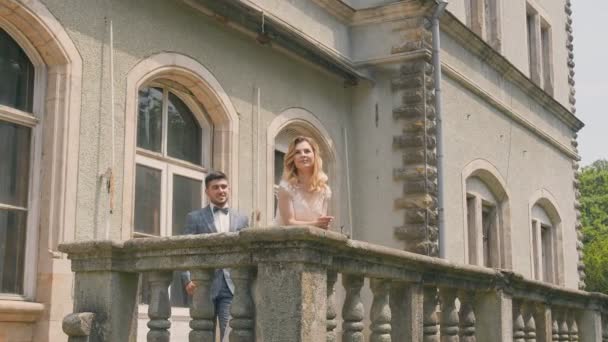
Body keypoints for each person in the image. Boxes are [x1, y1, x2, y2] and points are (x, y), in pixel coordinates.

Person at [181, 171, 249, 341]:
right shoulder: (194, 218)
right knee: (202, 333)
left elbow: (247, 252)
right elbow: (185, 250)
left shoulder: (242, 219)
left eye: (224, 186)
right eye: (216, 187)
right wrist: (187, 279)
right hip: (202, 284)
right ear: (207, 191)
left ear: (229, 189)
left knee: (230, 333)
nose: (221, 190)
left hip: (231, 285)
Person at [275, 136, 334, 229]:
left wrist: (322, 224)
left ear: (314, 155)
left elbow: (322, 225)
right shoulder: (286, 187)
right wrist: (315, 224)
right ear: (293, 159)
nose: (303, 155)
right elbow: (289, 222)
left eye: (307, 151)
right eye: (297, 152)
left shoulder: (324, 190)